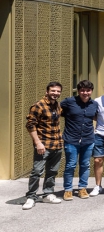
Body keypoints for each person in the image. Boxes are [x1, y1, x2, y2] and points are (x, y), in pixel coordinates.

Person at [23, 82, 65, 210]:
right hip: (43, 145)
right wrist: (37, 143)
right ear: (47, 91)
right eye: (53, 91)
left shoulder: (57, 105)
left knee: (52, 171)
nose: (55, 93)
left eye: (58, 91)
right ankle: (31, 197)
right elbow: (30, 125)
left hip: (57, 144)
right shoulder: (38, 106)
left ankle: (48, 193)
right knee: (37, 172)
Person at [60, 80, 98, 200]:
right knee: (70, 165)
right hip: (71, 139)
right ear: (78, 91)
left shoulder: (94, 104)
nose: (85, 92)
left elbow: (97, 117)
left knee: (85, 165)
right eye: (82, 90)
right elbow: (56, 110)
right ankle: (68, 189)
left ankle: (82, 188)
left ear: (91, 91)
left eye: (88, 90)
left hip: (88, 139)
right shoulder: (69, 102)